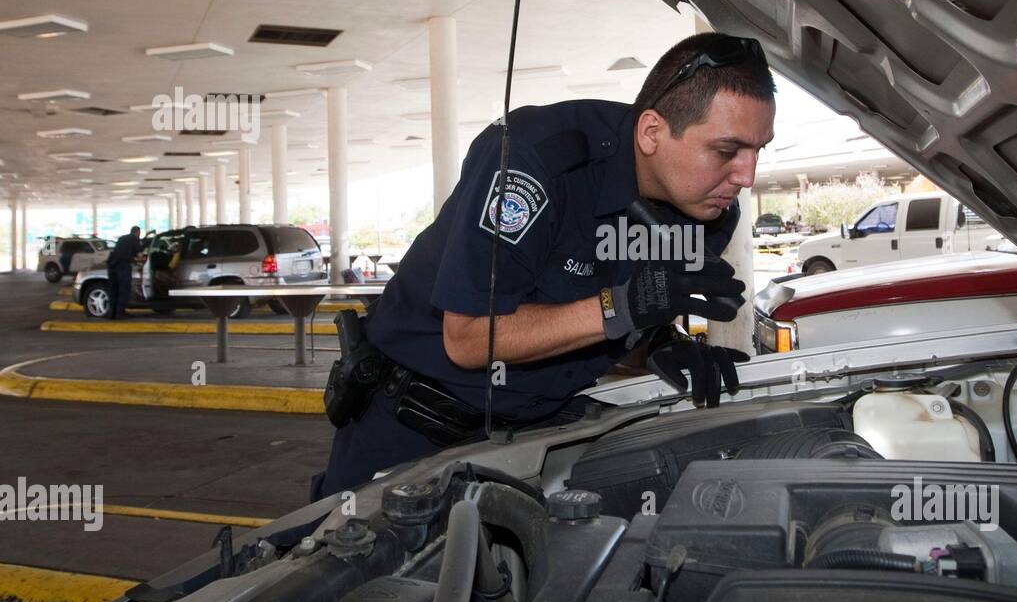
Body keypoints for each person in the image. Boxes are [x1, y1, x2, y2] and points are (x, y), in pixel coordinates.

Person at [311, 32, 776, 501]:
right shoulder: (536, 161)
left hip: (538, 439)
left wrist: (656, 345)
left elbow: (604, 325)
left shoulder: (706, 211)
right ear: (652, 132)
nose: (746, 176)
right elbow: (470, 338)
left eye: (758, 150)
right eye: (725, 151)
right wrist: (626, 306)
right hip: (411, 432)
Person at [105, 225, 144, 320]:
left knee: (113, 290)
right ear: (138, 232)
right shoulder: (135, 239)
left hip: (112, 266)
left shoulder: (122, 238)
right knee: (124, 289)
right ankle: (120, 313)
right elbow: (140, 255)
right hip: (123, 266)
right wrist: (142, 260)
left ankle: (111, 313)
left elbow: (118, 251)